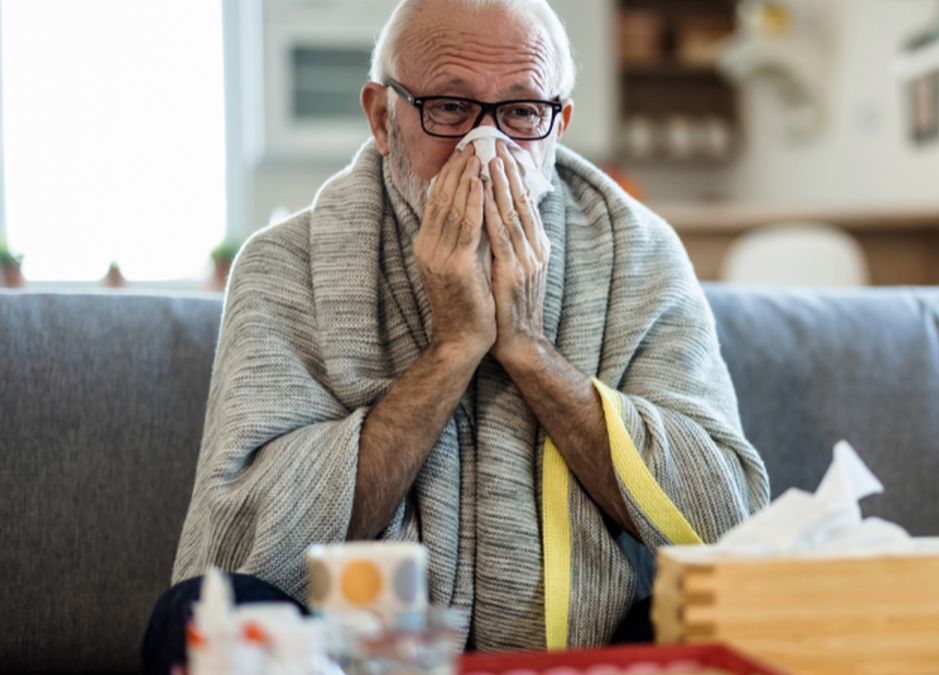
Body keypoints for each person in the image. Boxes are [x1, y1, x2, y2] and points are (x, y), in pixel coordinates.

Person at [150, 0, 768, 666]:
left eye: (522, 112)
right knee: (198, 614)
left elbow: (726, 521)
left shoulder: (639, 253)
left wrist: (527, 347)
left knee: (729, 616)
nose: (487, 148)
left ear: (559, 123)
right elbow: (241, 541)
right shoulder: (283, 264)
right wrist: (453, 349)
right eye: (449, 107)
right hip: (350, 654)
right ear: (382, 117)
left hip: (584, 654)